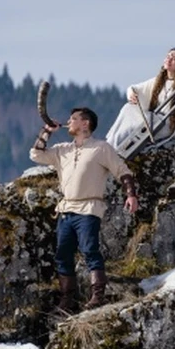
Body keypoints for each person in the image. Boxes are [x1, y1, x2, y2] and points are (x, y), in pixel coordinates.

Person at [29, 107, 139, 313]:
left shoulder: (101, 148)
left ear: (85, 123)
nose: (69, 122)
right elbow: (36, 154)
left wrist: (131, 195)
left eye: (74, 119)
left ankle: (98, 295)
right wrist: (46, 132)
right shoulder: (62, 150)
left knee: (89, 250)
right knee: (62, 254)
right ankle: (68, 300)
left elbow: (123, 172)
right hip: (66, 209)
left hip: (89, 209)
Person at [105, 47, 175, 153]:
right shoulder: (160, 79)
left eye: (174, 59)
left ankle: (112, 149)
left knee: (139, 123)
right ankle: (110, 144)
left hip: (169, 125)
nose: (169, 59)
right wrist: (131, 94)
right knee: (128, 108)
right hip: (154, 119)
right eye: (168, 56)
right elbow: (135, 88)